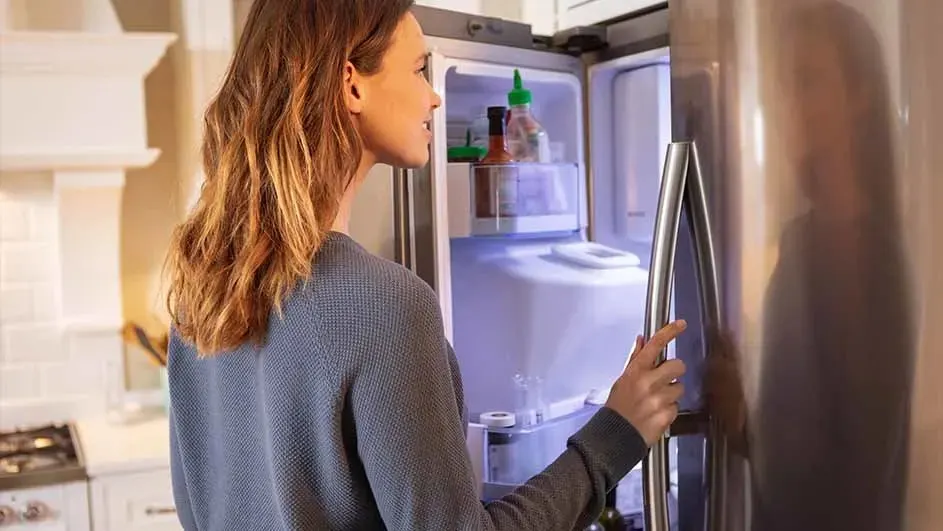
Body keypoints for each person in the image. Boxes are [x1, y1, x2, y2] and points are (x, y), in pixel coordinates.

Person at [163, 1, 687, 529]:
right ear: (352, 84)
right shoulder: (382, 305)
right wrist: (614, 436)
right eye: (418, 70)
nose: (434, 96)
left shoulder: (200, 291)